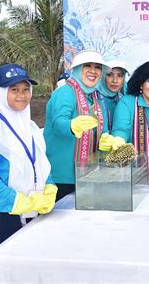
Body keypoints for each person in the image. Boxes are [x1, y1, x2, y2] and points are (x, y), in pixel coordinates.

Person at [0, 63, 57, 258]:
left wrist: (50, 188)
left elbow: (41, 164)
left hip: (36, 213)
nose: (22, 95)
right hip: (4, 216)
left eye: (26, 89)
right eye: (14, 89)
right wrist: (22, 203)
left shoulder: (31, 127)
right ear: (1, 93)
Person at [44, 50, 117, 201]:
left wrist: (106, 139)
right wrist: (72, 126)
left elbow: (102, 128)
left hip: (87, 174)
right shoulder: (65, 92)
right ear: (76, 70)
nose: (93, 70)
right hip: (61, 177)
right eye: (87, 66)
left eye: (97, 67)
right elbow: (58, 124)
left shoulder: (96, 97)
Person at [97, 60, 128, 131]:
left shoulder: (125, 98)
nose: (115, 80)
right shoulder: (92, 97)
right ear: (102, 76)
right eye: (109, 75)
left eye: (120, 75)